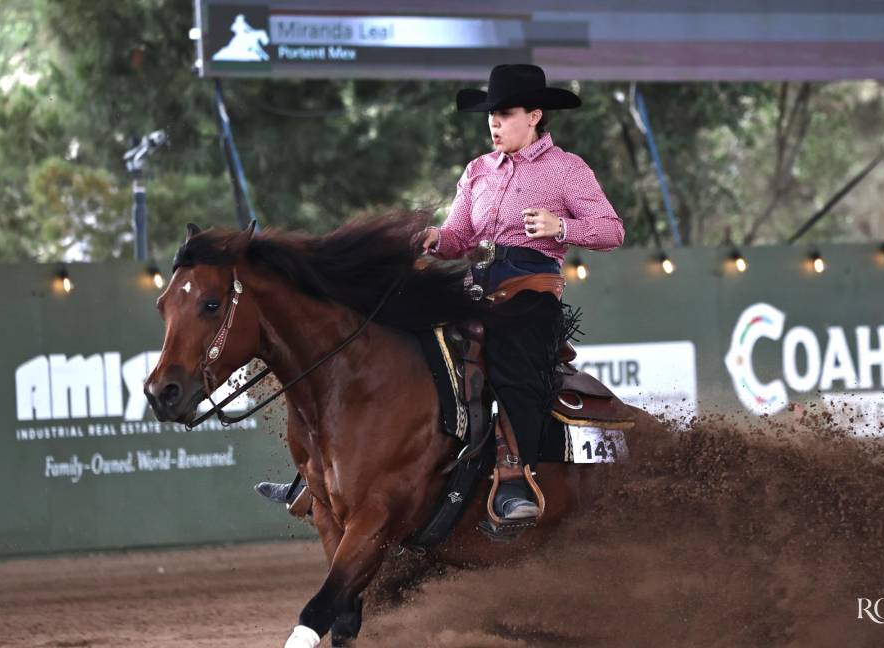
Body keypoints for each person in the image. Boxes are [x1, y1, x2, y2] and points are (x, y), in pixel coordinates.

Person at [257, 63, 624, 521]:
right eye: (491, 114)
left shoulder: (566, 169)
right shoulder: (477, 171)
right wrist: (436, 237)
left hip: (529, 290)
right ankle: (316, 476)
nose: (494, 123)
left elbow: (612, 230)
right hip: (475, 287)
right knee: (392, 339)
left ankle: (516, 478)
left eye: (504, 114)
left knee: (513, 359)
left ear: (534, 116)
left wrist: (561, 227)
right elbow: (459, 237)